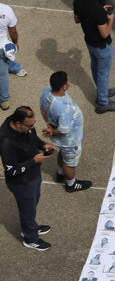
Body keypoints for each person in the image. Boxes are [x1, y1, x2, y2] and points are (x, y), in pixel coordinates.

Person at [0, 106, 54, 249]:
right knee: (27, 210)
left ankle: (30, 227)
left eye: (33, 124)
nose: (32, 128)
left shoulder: (24, 128)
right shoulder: (6, 142)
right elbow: (11, 171)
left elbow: (33, 138)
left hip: (33, 175)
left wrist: (43, 145)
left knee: (32, 204)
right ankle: (31, 239)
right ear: (18, 123)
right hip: (22, 182)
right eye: (29, 125)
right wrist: (33, 161)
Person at [73, 0, 115, 111]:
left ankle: (102, 91)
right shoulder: (97, 9)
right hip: (102, 46)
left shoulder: (78, 0)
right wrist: (110, 19)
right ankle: (103, 102)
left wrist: (99, 13)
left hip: (90, 42)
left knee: (95, 68)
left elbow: (77, 20)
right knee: (103, 74)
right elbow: (104, 33)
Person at [38, 71, 90, 192]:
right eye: (68, 79)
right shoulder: (63, 109)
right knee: (70, 163)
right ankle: (71, 184)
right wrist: (53, 132)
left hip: (63, 141)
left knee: (63, 152)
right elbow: (64, 130)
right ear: (64, 86)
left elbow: (42, 107)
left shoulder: (46, 91)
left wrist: (48, 123)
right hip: (70, 140)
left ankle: (60, 173)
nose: (69, 80)